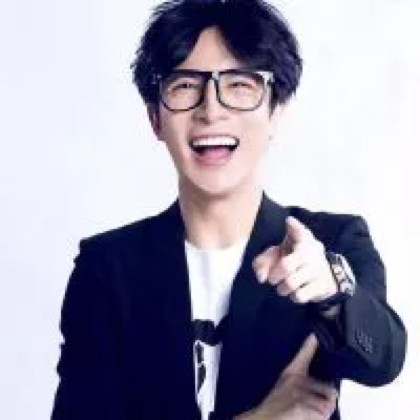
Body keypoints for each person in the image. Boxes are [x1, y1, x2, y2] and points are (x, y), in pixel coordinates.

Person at [51, 0, 407, 419]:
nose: (211, 110)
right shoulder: (108, 270)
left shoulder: (331, 244)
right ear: (155, 118)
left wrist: (332, 292)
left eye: (240, 85)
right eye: (185, 86)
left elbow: (384, 359)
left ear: (276, 111)